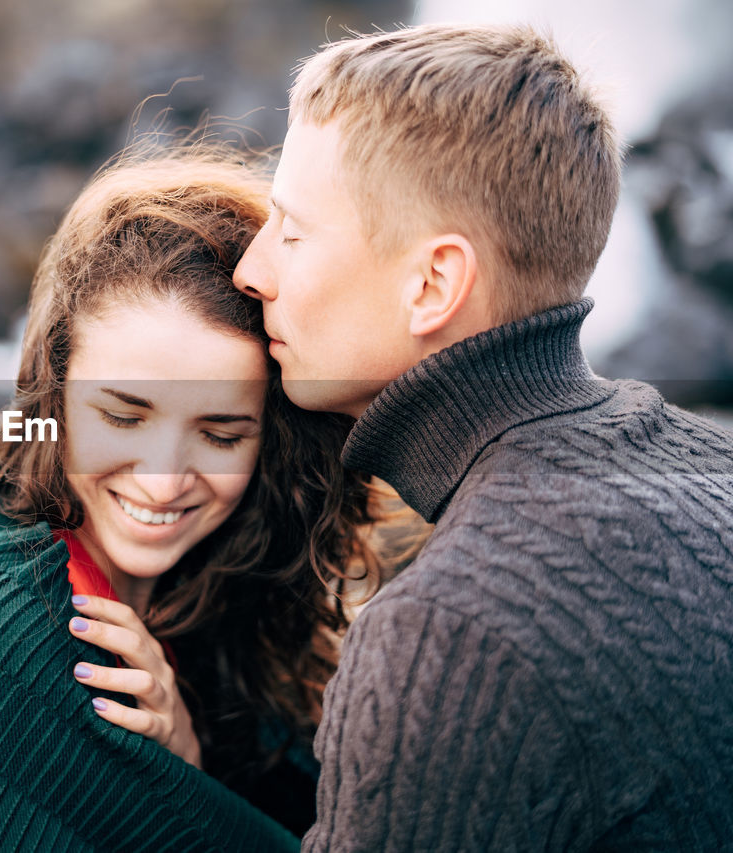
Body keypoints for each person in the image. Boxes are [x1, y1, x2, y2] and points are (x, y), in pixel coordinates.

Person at [232, 23, 733, 851]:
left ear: (432, 284)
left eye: (290, 231)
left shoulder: (450, 635)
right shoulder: (712, 463)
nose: (253, 269)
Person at [0, 148, 384, 852]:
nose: (161, 480)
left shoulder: (210, 586)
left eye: (219, 434)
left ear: (269, 441)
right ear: (54, 393)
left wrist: (187, 761)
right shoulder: (0, 629)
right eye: (122, 417)